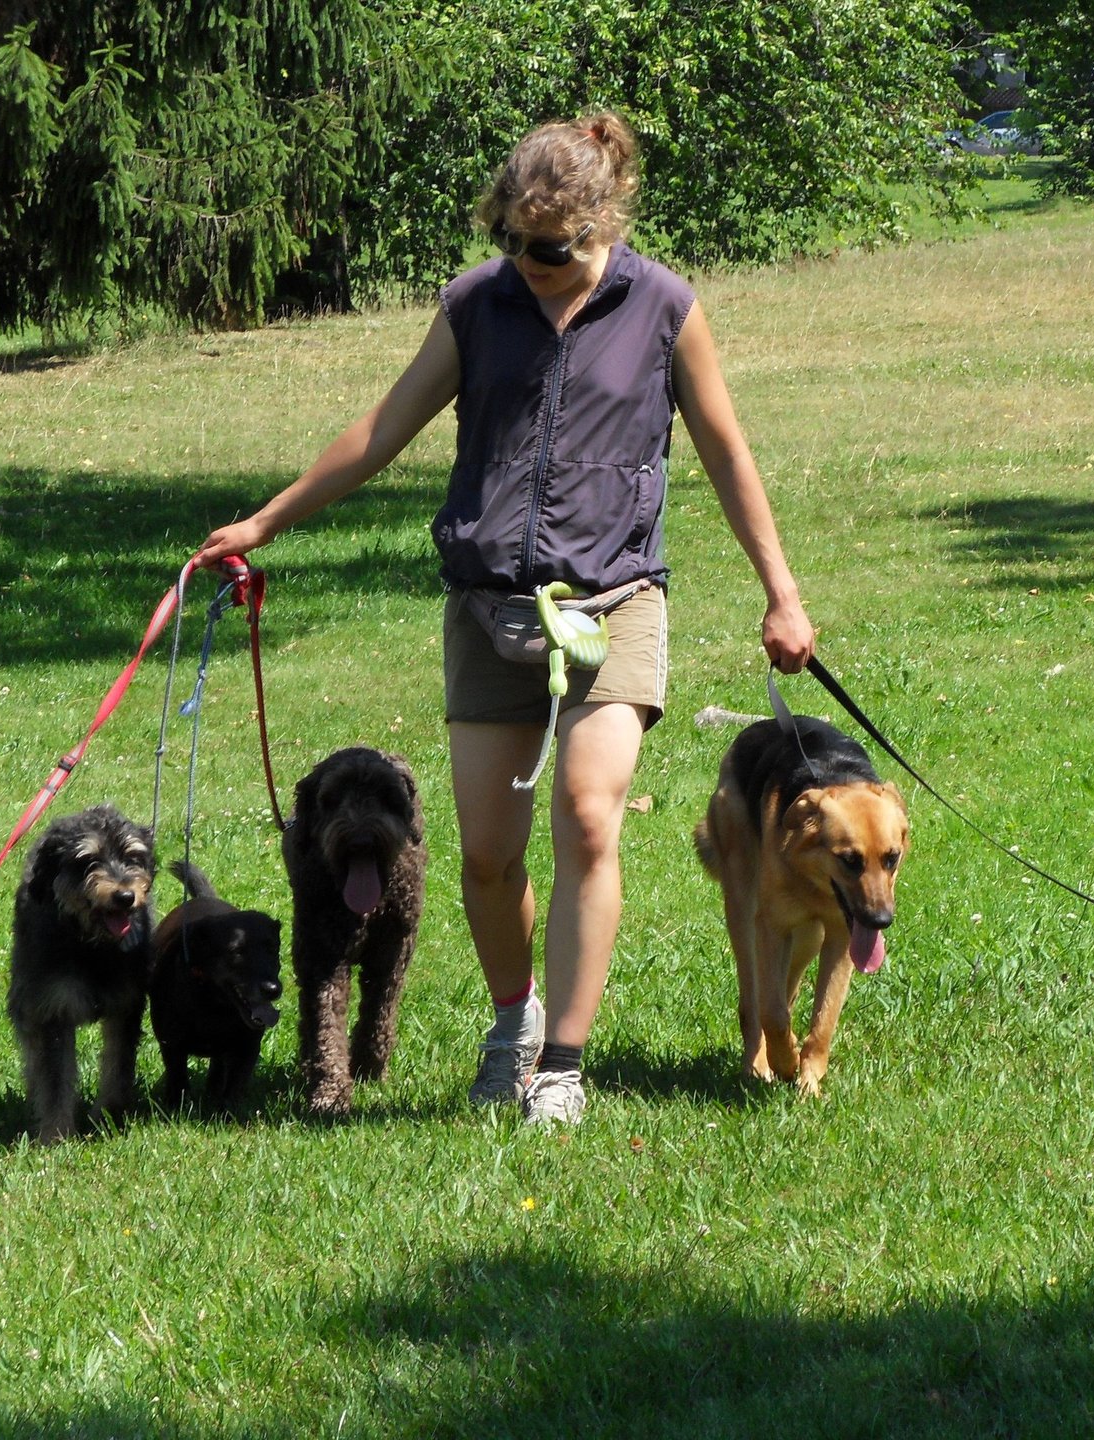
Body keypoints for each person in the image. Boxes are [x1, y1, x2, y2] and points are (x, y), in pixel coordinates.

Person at [194, 111, 814, 1124]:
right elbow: (381, 429)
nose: (532, 262)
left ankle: (562, 1068)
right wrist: (266, 521)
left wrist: (781, 592)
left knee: (587, 814)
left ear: (601, 224)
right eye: (515, 240)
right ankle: (513, 1022)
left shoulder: (664, 307)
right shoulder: (477, 305)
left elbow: (726, 453)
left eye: (553, 248)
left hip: (613, 601)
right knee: (486, 855)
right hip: (488, 608)